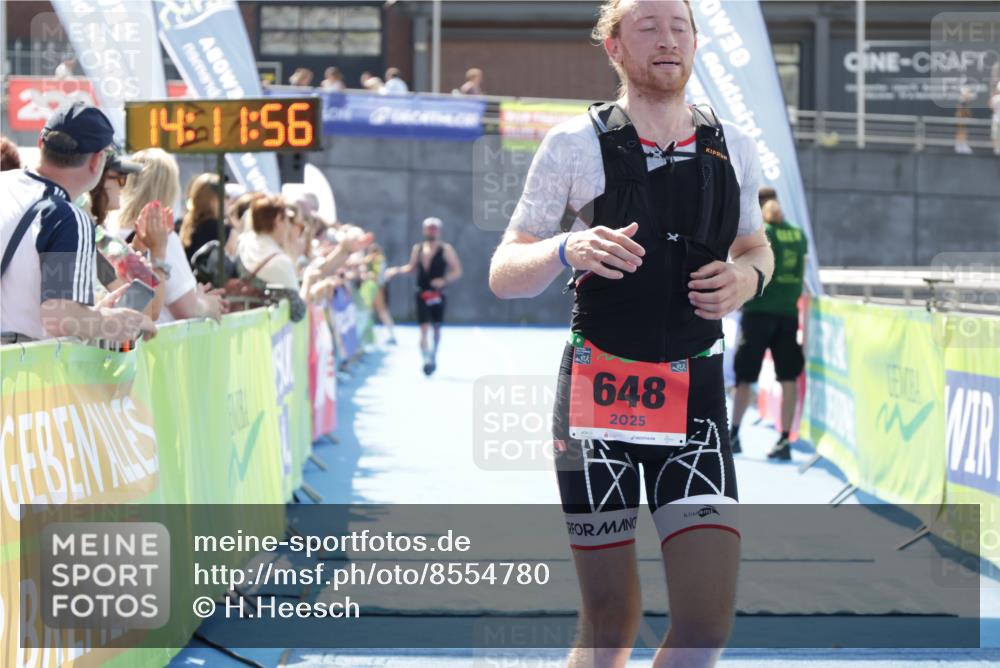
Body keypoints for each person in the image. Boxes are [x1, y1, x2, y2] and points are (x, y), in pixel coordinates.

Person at [488, 1, 773, 666]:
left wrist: (748, 281)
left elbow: (757, 249)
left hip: (695, 395)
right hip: (596, 402)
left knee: (706, 626)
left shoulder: (733, 143)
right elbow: (505, 272)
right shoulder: (573, 144)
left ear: (696, 43)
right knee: (611, 625)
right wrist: (567, 248)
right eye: (647, 28)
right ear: (614, 48)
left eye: (680, 27)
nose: (668, 40)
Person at [0, 102, 156, 344]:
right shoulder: (66, 217)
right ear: (97, 161)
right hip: (15, 370)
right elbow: (59, 318)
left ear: (41, 144)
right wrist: (116, 321)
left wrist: (90, 313)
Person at [730, 188, 808, 461]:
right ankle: (785, 439)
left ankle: (733, 434)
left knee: (744, 377)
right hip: (787, 314)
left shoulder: (761, 236)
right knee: (788, 377)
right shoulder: (798, 234)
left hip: (759, 312)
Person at [110, 148, 226, 323]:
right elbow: (186, 309)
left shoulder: (108, 235)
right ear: (170, 188)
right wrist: (208, 304)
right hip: (158, 345)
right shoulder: (161, 235)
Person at [386, 217, 462, 376]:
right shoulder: (418, 248)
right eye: (429, 228)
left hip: (438, 294)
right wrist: (396, 271)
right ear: (424, 230)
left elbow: (457, 270)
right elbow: (411, 268)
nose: (431, 231)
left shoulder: (445, 249)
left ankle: (434, 354)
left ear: (438, 231)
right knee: (423, 328)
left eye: (434, 229)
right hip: (422, 292)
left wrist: (444, 280)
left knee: (436, 328)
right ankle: (426, 360)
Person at [179, 173, 231, 262]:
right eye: (225, 196)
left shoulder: (180, 225)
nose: (228, 200)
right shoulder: (224, 230)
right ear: (212, 200)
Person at [990, 81, 1000, 156]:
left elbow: (991, 107)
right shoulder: (995, 98)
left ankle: (996, 149)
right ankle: (997, 149)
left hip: (996, 119)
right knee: (996, 134)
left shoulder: (995, 98)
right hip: (996, 119)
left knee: (996, 135)